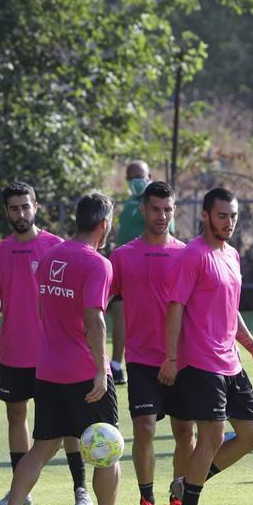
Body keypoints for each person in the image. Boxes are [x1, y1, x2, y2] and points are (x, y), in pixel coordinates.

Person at [0, 193, 129, 505]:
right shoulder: (98, 263)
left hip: (47, 370)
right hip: (84, 375)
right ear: (104, 224)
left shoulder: (51, 255)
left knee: (40, 449)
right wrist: (103, 369)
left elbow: (43, 306)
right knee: (108, 448)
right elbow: (95, 319)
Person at [159, 187, 253, 505]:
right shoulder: (192, 255)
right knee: (210, 435)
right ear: (205, 215)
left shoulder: (233, 256)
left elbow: (231, 308)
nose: (229, 222)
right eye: (222, 215)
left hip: (232, 361)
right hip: (200, 361)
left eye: (234, 216)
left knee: (251, 435)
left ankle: (187, 484)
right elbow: (175, 307)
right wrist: (171, 358)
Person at [0, 183, 89, 505]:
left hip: (54, 353)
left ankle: (80, 487)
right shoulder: (1, 251)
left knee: (68, 423)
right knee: (16, 415)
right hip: (13, 352)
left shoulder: (57, 247)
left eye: (26, 206)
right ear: (6, 211)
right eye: (14, 208)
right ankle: (19, 491)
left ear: (36, 206)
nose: (21, 213)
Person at [109, 181, 194, 505]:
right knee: (144, 428)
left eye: (168, 210)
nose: (162, 216)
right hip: (142, 359)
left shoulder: (187, 254)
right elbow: (98, 302)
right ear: (143, 210)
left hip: (183, 358)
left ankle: (179, 499)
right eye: (156, 209)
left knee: (185, 433)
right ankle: (147, 501)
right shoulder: (123, 255)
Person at [109, 160, 162, 386]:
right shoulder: (132, 200)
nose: (135, 182)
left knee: (122, 314)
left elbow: (164, 232)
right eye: (131, 178)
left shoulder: (153, 202)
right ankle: (110, 363)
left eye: (139, 176)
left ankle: (118, 365)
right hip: (120, 265)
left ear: (149, 175)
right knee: (107, 311)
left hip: (142, 270)